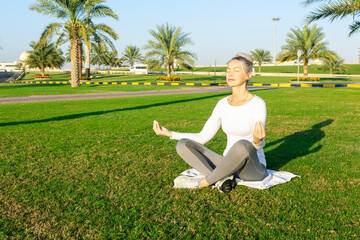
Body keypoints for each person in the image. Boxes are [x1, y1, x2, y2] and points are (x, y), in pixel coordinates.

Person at [153, 53, 268, 193]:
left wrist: (257, 141)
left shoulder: (257, 103)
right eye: (228, 70)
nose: (230, 73)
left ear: (249, 75)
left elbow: (256, 146)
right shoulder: (222, 104)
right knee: (183, 144)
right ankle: (221, 179)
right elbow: (203, 137)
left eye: (236, 70)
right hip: (226, 163)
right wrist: (170, 133)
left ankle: (204, 183)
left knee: (243, 145)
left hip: (251, 169)